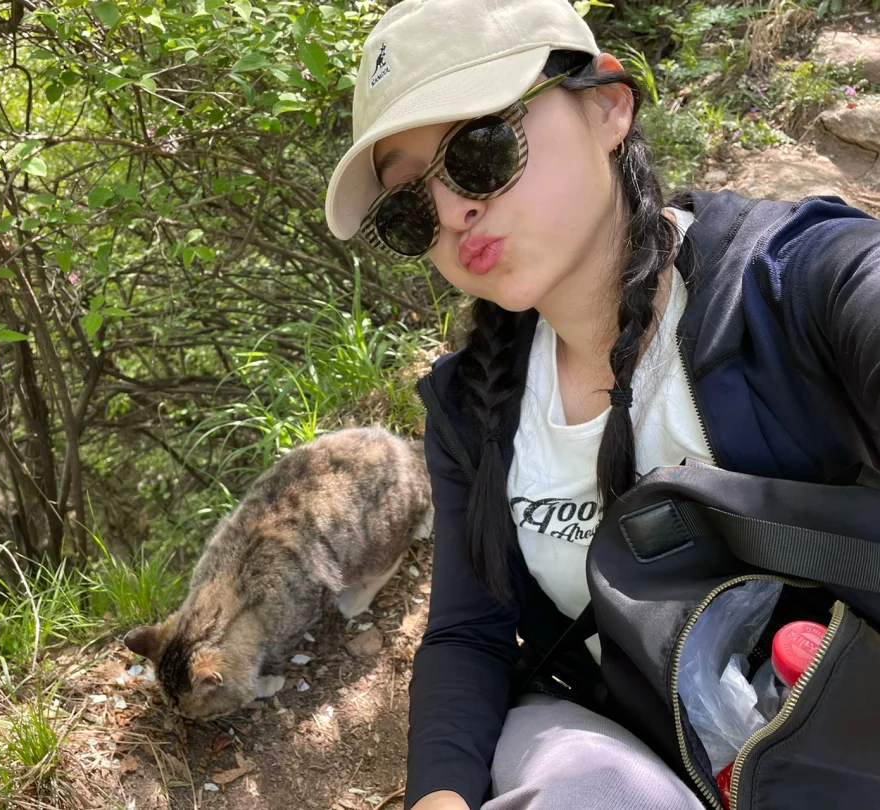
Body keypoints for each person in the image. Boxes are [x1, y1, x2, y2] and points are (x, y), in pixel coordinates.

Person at [323, 0, 880, 809]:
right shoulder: (472, 411)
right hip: (635, 755)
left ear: (608, 107)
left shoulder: (790, 285)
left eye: (479, 150)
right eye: (409, 208)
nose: (451, 212)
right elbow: (471, 634)